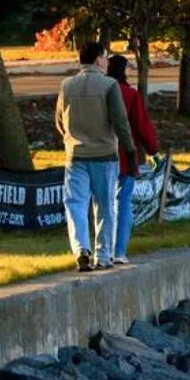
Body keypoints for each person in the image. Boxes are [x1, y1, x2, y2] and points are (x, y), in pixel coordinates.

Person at [54, 40, 134, 271]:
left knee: (76, 204)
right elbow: (120, 121)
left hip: (75, 155)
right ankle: (103, 255)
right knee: (105, 206)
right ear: (99, 58)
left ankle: (81, 249)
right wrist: (128, 148)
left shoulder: (66, 85)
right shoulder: (110, 85)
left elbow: (60, 121)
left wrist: (71, 140)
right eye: (106, 57)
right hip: (104, 155)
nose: (108, 61)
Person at [105, 54, 159, 266]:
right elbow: (141, 125)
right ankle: (119, 250)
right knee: (123, 203)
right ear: (122, 70)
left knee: (104, 204)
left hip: (102, 155)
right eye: (128, 68)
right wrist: (153, 149)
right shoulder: (130, 94)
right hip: (125, 157)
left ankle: (103, 250)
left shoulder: (102, 91)